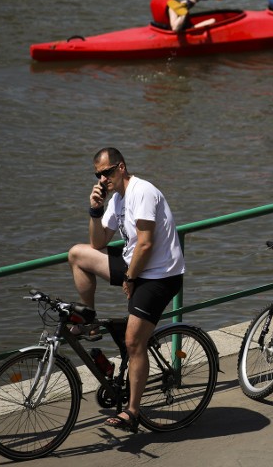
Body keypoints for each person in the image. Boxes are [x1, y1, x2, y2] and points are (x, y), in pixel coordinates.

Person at [68, 148, 185, 433]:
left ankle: (132, 412)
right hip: (135, 265)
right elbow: (97, 243)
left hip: (160, 275)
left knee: (134, 342)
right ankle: (91, 321)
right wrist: (95, 211)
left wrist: (130, 278)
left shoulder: (142, 192)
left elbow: (145, 243)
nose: (102, 179)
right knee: (77, 254)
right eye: (97, 175)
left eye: (106, 172)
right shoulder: (116, 199)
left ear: (121, 168)